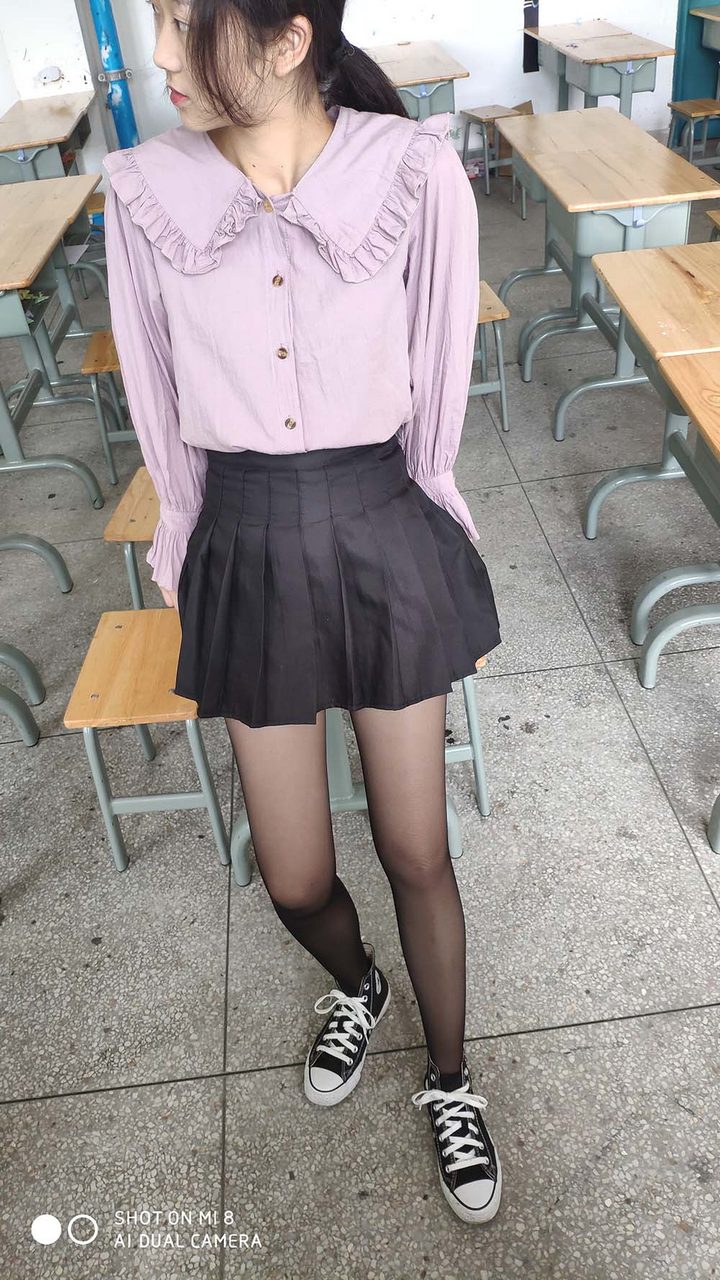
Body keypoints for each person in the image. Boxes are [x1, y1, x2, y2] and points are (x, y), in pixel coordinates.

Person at [102, 0, 503, 1225]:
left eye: (183, 21)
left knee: (418, 847)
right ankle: (359, 982)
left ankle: (452, 1079)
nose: (160, 52)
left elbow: (439, 372)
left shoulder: (413, 170)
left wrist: (434, 519)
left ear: (285, 39)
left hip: (380, 520)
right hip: (247, 534)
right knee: (291, 875)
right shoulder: (144, 190)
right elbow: (154, 389)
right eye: (154, 20)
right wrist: (185, 535)